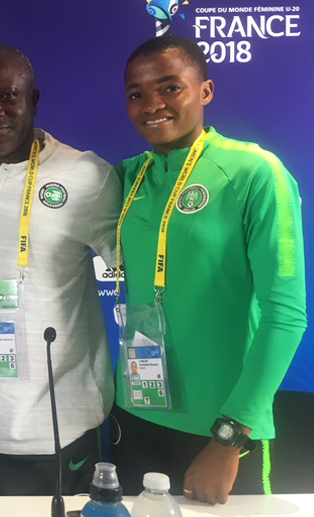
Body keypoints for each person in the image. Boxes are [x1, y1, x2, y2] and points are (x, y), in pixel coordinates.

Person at [112, 35, 306, 505]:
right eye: (136, 94)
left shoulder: (257, 173)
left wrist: (231, 435)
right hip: (134, 416)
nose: (151, 104)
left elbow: (286, 314)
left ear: (206, 91)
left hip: (219, 430)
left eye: (169, 88)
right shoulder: (124, 177)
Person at [0, 44, 120, 495]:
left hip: (62, 432)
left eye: (9, 95)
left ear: (33, 100)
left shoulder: (88, 177)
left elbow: (148, 271)